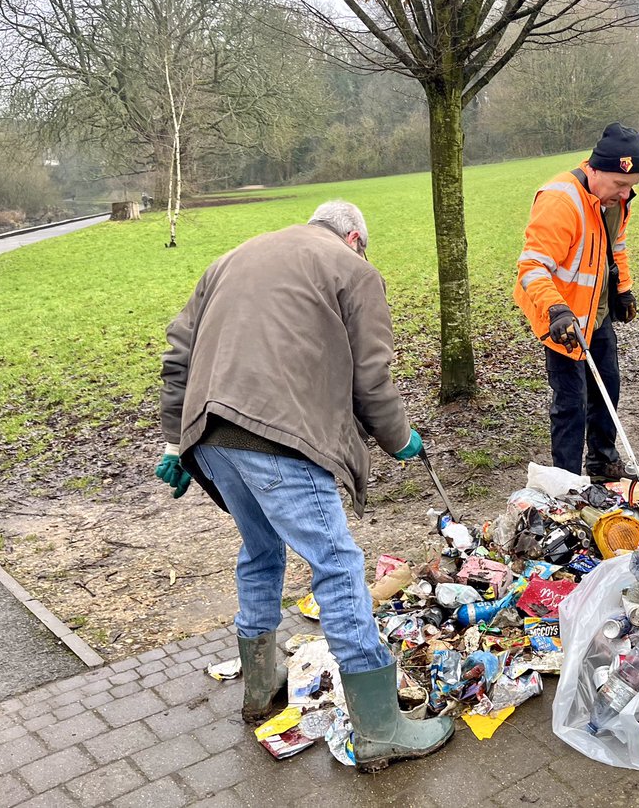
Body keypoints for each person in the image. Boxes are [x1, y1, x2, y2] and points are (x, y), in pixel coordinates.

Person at [155, 199, 452, 770]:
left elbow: (178, 358)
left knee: (261, 549)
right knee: (337, 565)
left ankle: (260, 685)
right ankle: (380, 727)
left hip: (209, 436)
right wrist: (399, 438)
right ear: (355, 237)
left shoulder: (231, 259)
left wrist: (175, 442)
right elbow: (373, 375)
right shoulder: (353, 269)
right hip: (279, 437)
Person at [514, 122, 639, 481]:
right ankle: (567, 481)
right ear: (595, 168)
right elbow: (532, 266)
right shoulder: (561, 199)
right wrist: (556, 310)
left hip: (596, 311)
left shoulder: (616, 202)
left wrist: (623, 289)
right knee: (571, 402)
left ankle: (603, 462)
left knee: (608, 387)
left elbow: (615, 247)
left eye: (631, 186)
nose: (624, 193)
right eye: (620, 184)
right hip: (560, 316)